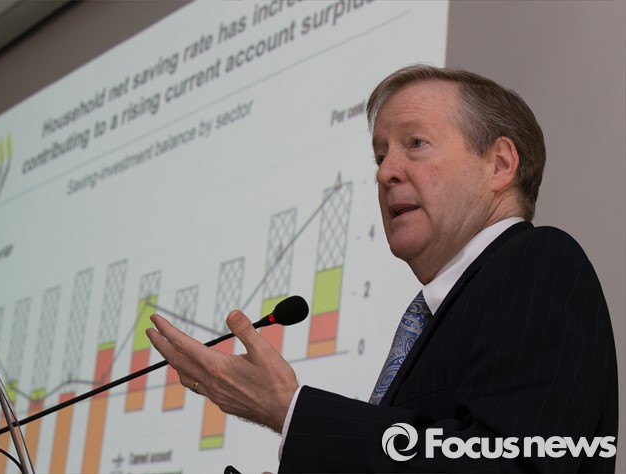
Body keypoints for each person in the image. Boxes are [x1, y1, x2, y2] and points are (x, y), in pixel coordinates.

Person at [146, 65, 618, 472]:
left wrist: (288, 408)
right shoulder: (442, 313)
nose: (384, 172)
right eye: (380, 155)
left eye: (415, 143)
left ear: (499, 164)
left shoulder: (541, 262)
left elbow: (508, 462)